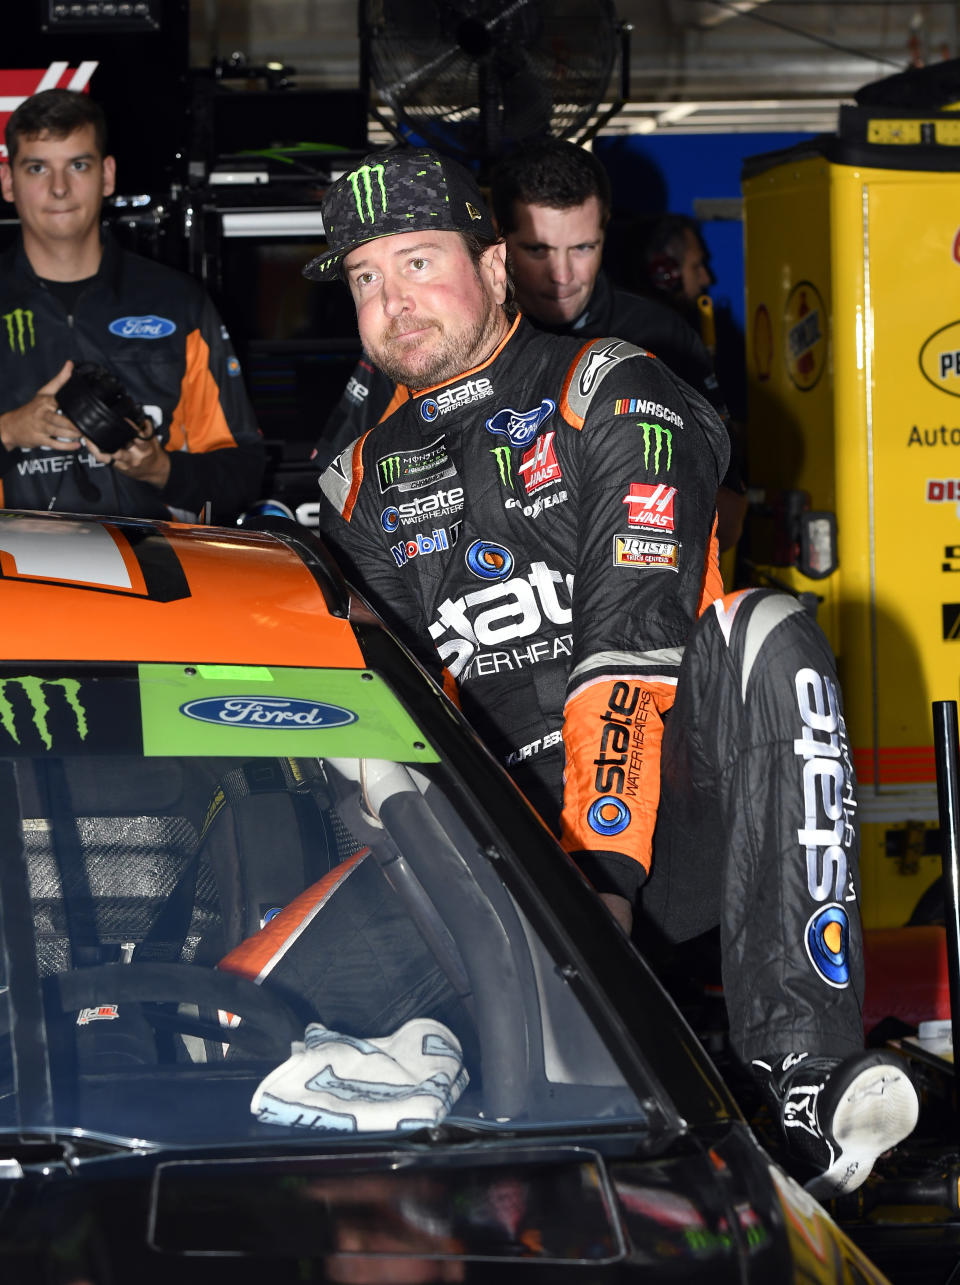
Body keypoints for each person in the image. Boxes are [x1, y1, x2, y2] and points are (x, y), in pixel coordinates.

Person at [307, 146, 918, 1200]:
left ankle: (802, 1070)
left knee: (769, 634)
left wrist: (601, 873)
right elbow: (384, 709)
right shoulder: (357, 478)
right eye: (365, 278)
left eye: (416, 262)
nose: (391, 302)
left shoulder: (613, 390)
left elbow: (628, 644)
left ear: (496, 268)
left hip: (666, 824)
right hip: (496, 844)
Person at [313, 142, 745, 552]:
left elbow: (735, 512)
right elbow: (345, 505)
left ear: (604, 231)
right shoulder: (432, 342)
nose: (561, 275)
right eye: (537, 249)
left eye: (582, 248)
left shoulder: (660, 335)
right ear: (497, 244)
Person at [0, 89, 264, 521]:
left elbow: (243, 472)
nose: (60, 188)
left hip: (157, 578)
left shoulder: (178, 303)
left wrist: (160, 469)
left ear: (107, 175)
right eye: (37, 168)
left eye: (78, 165)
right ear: (8, 181)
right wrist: (9, 431)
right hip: (15, 584)